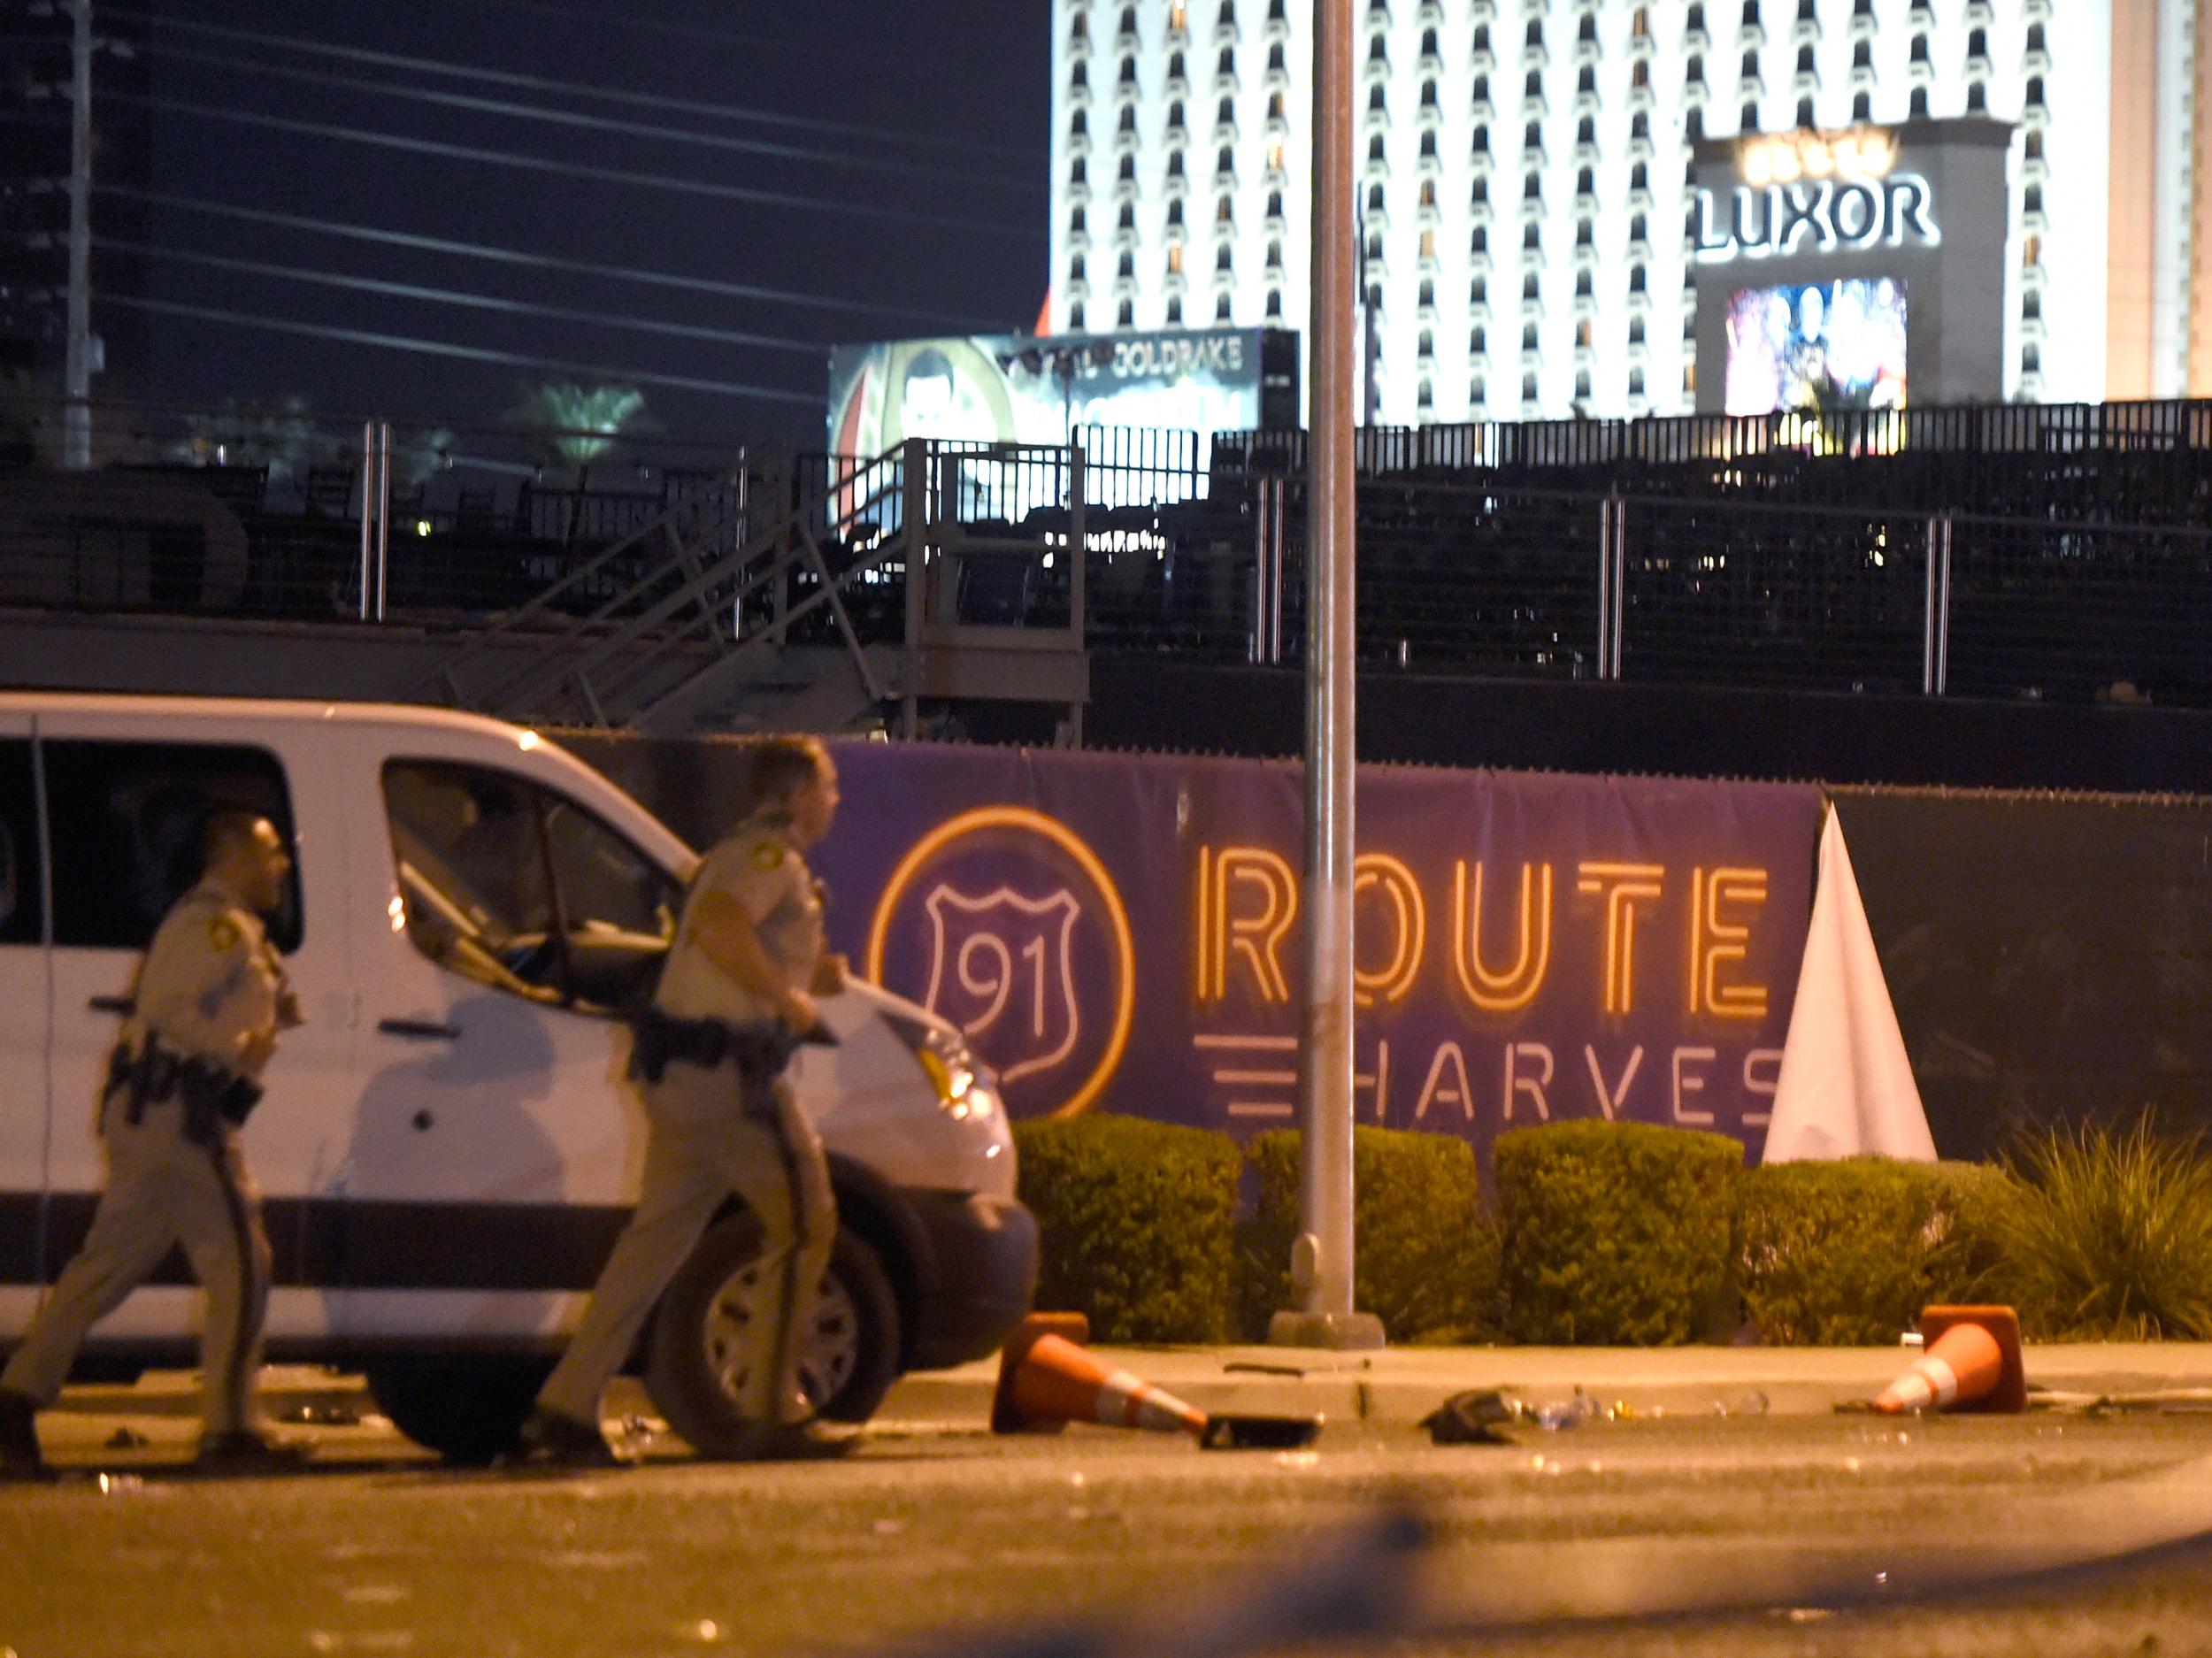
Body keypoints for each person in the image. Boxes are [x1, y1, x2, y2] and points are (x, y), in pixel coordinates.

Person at [517, 738, 847, 1466]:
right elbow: (722, 927)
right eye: (829, 787)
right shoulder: (769, 858)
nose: (836, 800)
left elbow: (723, 940)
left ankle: (568, 1405)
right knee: (807, 1224)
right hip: (731, 1079)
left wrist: (808, 976)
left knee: (652, 1247)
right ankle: (771, 1411)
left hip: (682, 1082)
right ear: (795, 795)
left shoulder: (732, 853)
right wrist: (788, 998)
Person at [0, 812, 306, 1478]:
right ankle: (229, 1427)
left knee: (106, 1267)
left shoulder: (226, 927)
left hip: (156, 1114)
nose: (282, 864)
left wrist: (267, 1017)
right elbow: (170, 1008)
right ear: (235, 859)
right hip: (182, 1119)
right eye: (271, 852)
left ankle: (15, 1399)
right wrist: (241, 1045)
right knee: (242, 1262)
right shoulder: (212, 924)